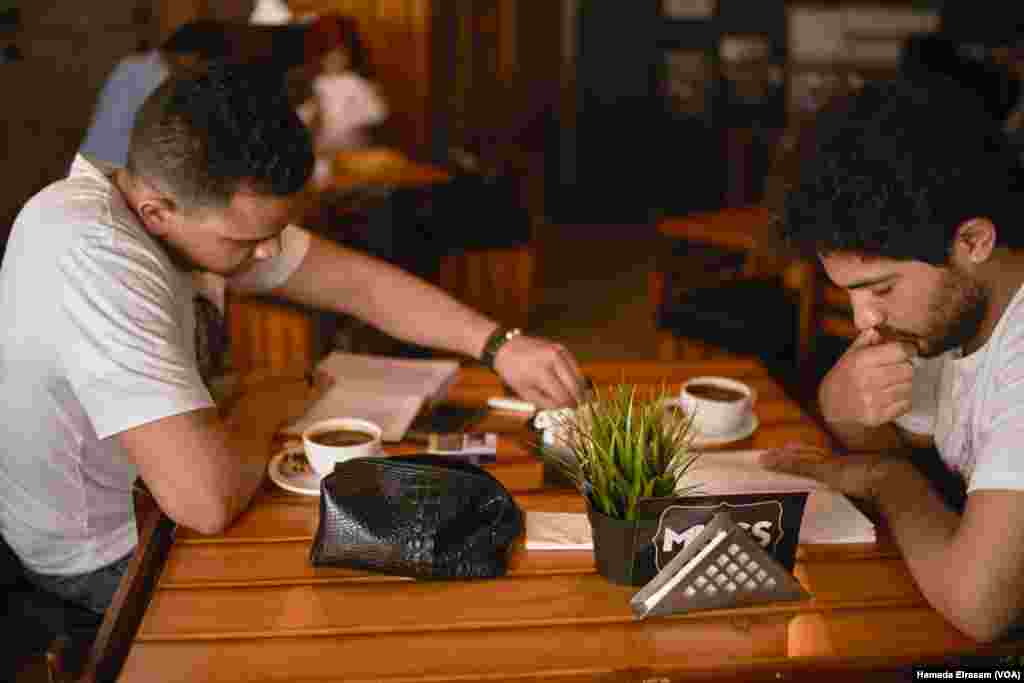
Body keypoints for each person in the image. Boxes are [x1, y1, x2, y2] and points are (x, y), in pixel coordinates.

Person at [0, 62, 585, 621]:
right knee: (355, 611)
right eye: (249, 240)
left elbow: (360, 286)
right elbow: (206, 501)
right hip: (106, 553)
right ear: (157, 212)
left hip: (173, 495)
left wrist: (500, 344)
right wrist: (267, 402)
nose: (269, 255)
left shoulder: (185, 217)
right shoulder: (90, 253)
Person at [760, 74, 1024, 642]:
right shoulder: (953, 314)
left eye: (880, 289)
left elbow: (980, 606)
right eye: (846, 292)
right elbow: (860, 420)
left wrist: (889, 483)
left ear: (973, 241)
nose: (863, 321)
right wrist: (850, 404)